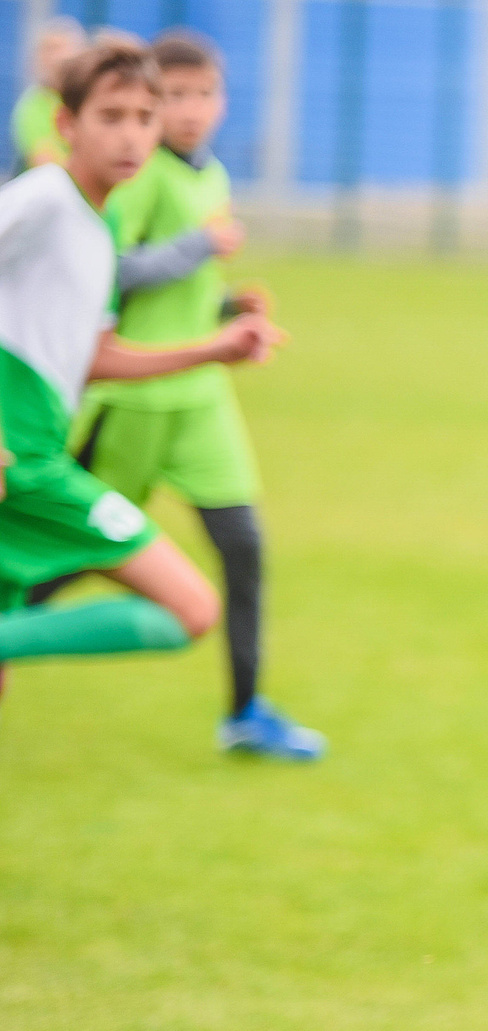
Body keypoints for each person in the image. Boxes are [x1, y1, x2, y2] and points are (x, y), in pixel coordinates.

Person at [53, 30, 320, 758]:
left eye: (204, 95)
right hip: (135, 402)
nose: (189, 111)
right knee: (68, 555)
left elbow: (183, 294)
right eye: (172, 97)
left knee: (244, 549)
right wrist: (198, 249)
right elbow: (108, 275)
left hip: (201, 400)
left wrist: (231, 308)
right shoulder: (136, 182)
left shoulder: (213, 178)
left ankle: (244, 712)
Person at [0, 42, 279, 684]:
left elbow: (94, 357)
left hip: (39, 450)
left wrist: (213, 347)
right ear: (66, 125)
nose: (131, 135)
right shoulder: (44, 198)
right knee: (191, 607)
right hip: (23, 466)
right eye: (111, 115)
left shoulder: (105, 222)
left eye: (143, 117)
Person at [11, 18, 86, 175]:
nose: (56, 57)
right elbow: (46, 166)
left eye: (62, 47)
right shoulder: (32, 107)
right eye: (49, 49)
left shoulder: (88, 99)